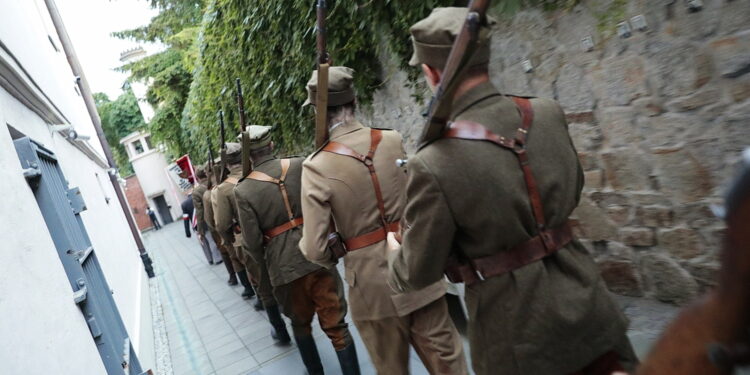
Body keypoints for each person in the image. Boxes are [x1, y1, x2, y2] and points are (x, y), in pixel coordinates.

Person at [386, 7, 638, 375]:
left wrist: (397, 254)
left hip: (520, 341)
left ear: (430, 71)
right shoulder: (547, 113)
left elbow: (417, 272)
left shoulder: (433, 162)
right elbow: (575, 188)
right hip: (592, 309)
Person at [299, 66, 467, 375]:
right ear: (354, 101)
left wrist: (331, 251)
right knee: (450, 366)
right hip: (417, 267)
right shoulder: (391, 140)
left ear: (318, 112)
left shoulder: (316, 165)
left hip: (371, 289)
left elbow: (315, 248)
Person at [235, 125, 359, 375]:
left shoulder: (244, 189)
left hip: (284, 268)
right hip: (317, 254)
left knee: (300, 324)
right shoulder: (301, 164)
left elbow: (251, 243)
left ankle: (315, 372)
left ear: (249, 156)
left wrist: (264, 275)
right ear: (271, 146)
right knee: (337, 325)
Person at [213, 142, 290, 344]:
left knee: (264, 287)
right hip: (275, 234)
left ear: (226, 164)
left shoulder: (223, 189)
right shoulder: (259, 176)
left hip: (247, 241)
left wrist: (230, 240)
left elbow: (221, 223)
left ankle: (281, 331)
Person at [202, 164, 239, 285]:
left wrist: (218, 231)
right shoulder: (233, 183)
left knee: (233, 257)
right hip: (239, 227)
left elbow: (209, 220)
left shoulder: (209, 194)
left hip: (226, 230)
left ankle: (237, 280)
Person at [192, 165, 223, 265]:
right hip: (222, 215)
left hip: (209, 222)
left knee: (215, 242)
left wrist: (200, 230)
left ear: (197, 178)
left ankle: (220, 260)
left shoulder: (196, 192)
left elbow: (199, 212)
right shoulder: (217, 182)